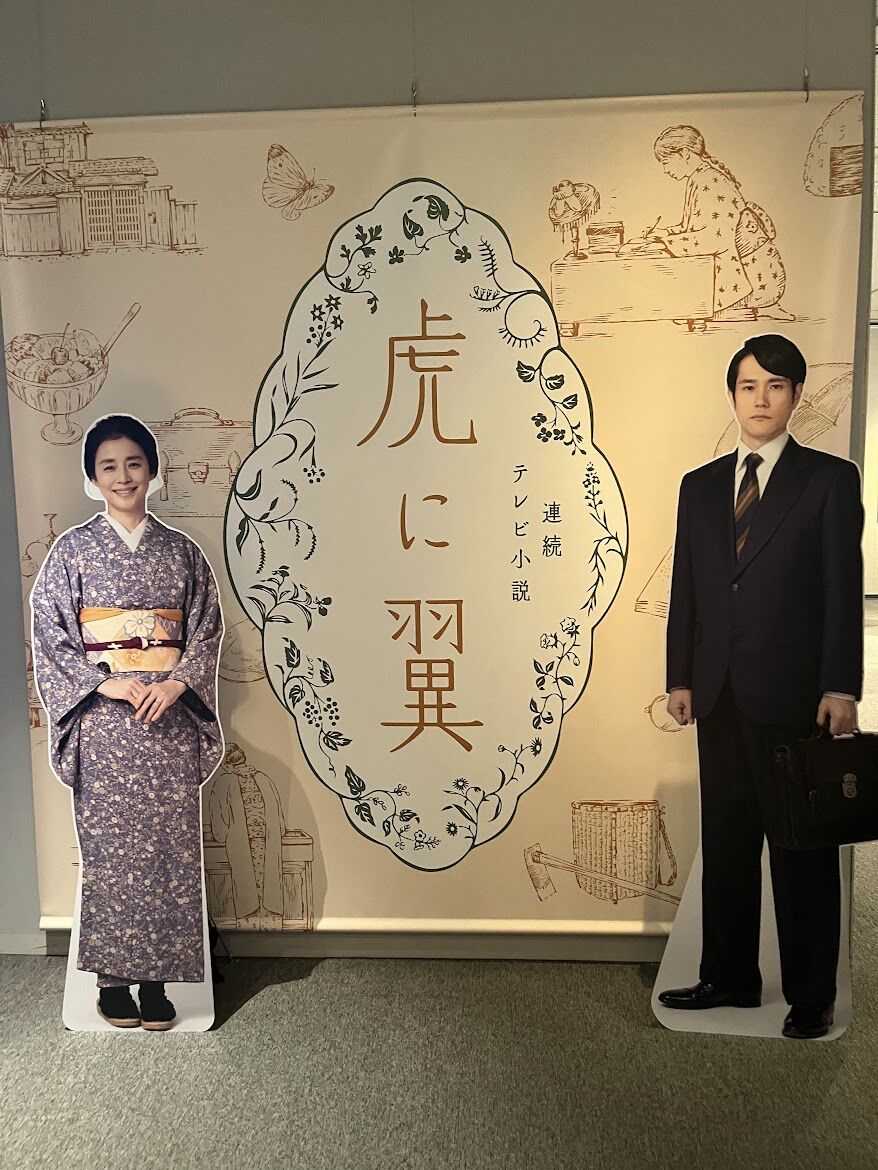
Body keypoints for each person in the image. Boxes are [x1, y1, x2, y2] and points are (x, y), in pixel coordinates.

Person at [660, 335, 863, 1040]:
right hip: (716, 692)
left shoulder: (828, 481)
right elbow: (687, 587)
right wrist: (679, 676)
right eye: (749, 386)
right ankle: (729, 977)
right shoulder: (699, 486)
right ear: (733, 394)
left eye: (776, 386)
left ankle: (812, 994)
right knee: (728, 841)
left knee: (801, 849)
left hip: (795, 693)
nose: (761, 399)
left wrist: (841, 686)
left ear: (796, 395)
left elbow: (842, 592)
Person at [30, 415, 224, 1030]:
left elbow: (206, 628)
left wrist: (177, 683)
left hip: (166, 720)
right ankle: (112, 981)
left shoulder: (182, 552)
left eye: (134, 463)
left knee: (168, 854)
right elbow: (51, 633)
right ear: (93, 477)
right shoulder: (72, 551)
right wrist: (102, 682)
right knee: (110, 854)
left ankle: (157, 984)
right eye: (108, 466)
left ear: (151, 470)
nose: (122, 476)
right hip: (106, 724)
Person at [644, 126, 794, 330]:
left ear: (685, 153)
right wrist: (667, 233)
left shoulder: (710, 181)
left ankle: (739, 308)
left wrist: (667, 242)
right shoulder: (699, 178)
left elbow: (714, 239)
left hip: (747, 274)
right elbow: (696, 226)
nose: (665, 169)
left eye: (665, 161)